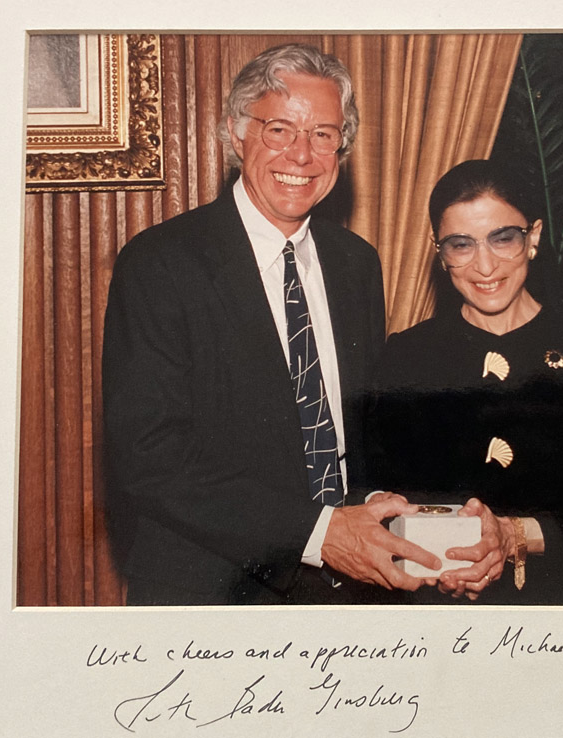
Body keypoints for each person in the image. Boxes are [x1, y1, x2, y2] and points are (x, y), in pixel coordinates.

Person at [102, 43, 439, 606]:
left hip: (348, 594)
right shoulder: (160, 263)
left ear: (342, 150)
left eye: (324, 134)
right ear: (237, 135)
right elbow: (149, 458)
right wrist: (319, 534)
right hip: (209, 595)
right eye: (280, 129)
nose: (302, 155)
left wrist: (389, 507)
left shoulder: (357, 263)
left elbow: (354, 429)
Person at [365, 159, 563, 605]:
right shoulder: (406, 357)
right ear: (439, 251)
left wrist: (514, 534)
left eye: (503, 239)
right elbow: (377, 490)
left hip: (562, 606)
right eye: (461, 245)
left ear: (533, 237)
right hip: (434, 605)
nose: (485, 265)